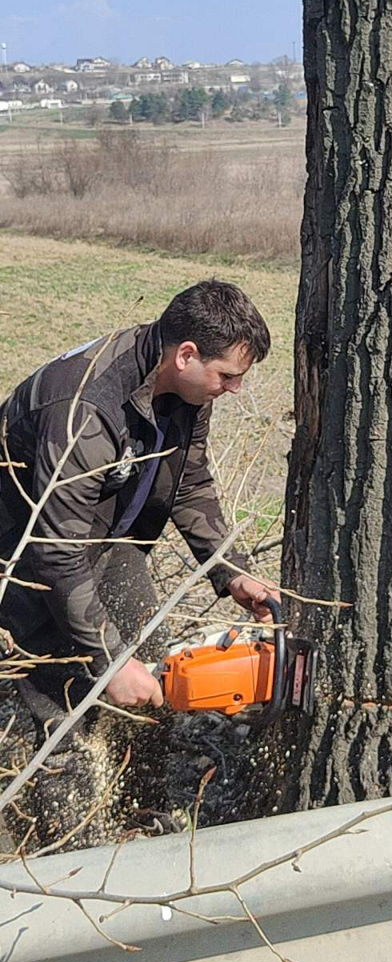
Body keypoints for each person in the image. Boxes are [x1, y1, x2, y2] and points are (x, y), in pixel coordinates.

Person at [0, 278, 279, 752]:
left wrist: (231, 572)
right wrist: (108, 660)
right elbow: (55, 552)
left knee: (153, 673)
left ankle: (143, 812)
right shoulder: (87, 408)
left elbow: (187, 482)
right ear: (186, 355)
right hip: (24, 550)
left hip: (99, 536)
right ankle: (65, 807)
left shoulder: (185, 387)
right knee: (64, 703)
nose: (234, 389)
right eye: (227, 376)